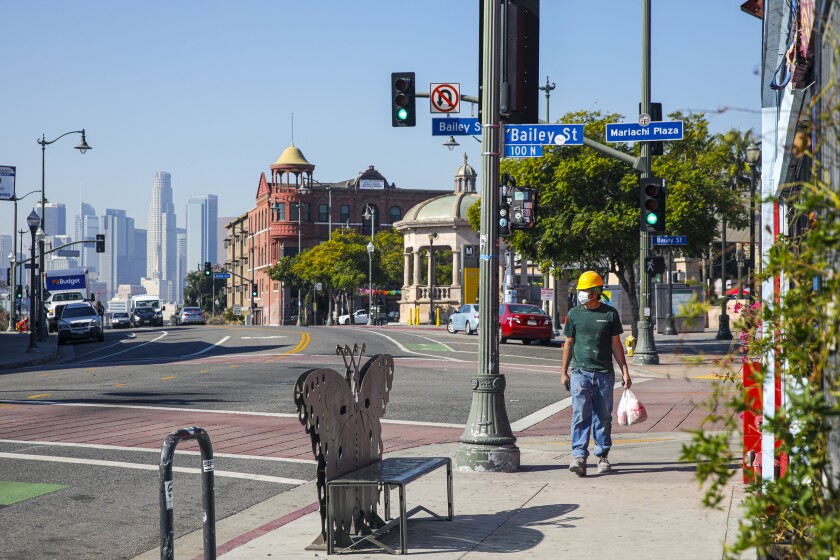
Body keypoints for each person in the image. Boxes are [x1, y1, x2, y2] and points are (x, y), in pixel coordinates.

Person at [560, 271, 631, 477]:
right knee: (580, 414)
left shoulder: (609, 314)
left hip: (604, 374)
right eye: (580, 290)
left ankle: (602, 455)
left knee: (603, 416)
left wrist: (625, 371)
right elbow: (568, 344)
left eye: (584, 291)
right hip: (580, 373)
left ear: (595, 292)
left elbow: (616, 345)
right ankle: (579, 456)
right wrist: (563, 372)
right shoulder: (574, 314)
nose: (581, 294)